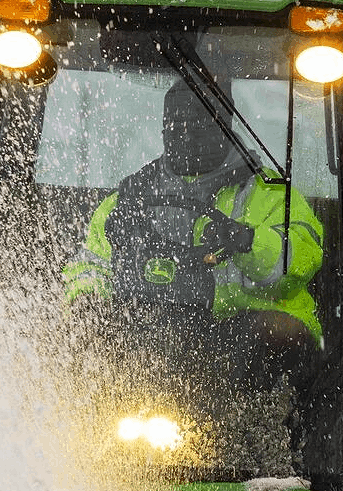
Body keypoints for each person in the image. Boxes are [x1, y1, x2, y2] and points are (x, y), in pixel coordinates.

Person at [62, 79, 325, 377]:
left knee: (280, 333)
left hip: (242, 343)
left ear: (223, 127)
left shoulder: (272, 195)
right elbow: (91, 264)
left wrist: (249, 241)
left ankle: (271, 422)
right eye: (174, 125)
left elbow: (300, 262)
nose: (185, 135)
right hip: (153, 341)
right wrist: (86, 300)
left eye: (198, 124)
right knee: (87, 337)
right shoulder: (129, 199)